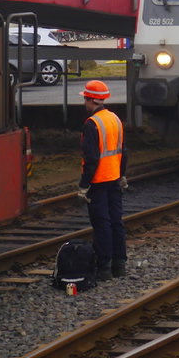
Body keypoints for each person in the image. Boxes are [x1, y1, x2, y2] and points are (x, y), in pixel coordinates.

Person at [76, 79, 128, 280]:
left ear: (91, 100)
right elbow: (123, 151)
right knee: (116, 221)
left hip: (98, 181)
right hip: (114, 178)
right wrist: (122, 174)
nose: (84, 103)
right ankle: (119, 265)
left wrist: (83, 185)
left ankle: (104, 268)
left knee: (101, 223)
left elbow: (91, 158)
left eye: (85, 99)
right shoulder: (114, 118)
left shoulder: (92, 124)